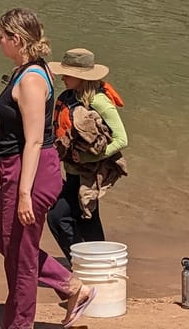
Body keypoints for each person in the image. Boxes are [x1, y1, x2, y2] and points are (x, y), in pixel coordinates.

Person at [0, 8, 96, 329]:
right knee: (7, 243)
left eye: (2, 36)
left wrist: (23, 194)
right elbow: (23, 126)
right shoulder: (25, 71)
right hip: (17, 168)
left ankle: (20, 324)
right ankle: (72, 287)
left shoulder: (33, 79)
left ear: (16, 39)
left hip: (30, 173)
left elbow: (35, 141)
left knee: (21, 256)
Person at [47, 48, 128, 262]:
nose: (62, 77)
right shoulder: (69, 97)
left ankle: (83, 265)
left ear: (82, 77)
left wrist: (88, 158)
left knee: (58, 217)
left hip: (88, 176)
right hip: (73, 174)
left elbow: (122, 139)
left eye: (67, 74)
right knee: (87, 220)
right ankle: (101, 267)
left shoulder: (99, 102)